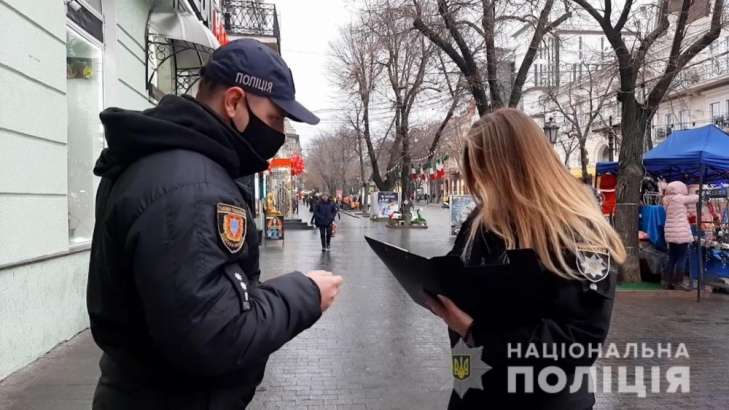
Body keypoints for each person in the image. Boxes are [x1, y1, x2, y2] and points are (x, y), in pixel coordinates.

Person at [87, 39, 344, 409]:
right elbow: (216, 334)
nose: (278, 132)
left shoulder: (167, 164)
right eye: (274, 117)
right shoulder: (192, 188)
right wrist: (305, 294)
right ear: (234, 102)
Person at [424, 108, 626, 409]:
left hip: (544, 399)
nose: (479, 184)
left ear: (517, 168)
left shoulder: (578, 231)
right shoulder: (481, 219)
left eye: (485, 171)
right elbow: (463, 278)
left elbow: (578, 340)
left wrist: (474, 332)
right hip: (475, 390)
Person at [662, 181, 699, 290]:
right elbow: (696, 198)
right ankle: (679, 282)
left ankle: (667, 281)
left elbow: (679, 213)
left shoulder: (666, 199)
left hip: (671, 233)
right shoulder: (679, 198)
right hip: (680, 233)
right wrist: (698, 192)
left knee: (672, 258)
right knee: (681, 258)